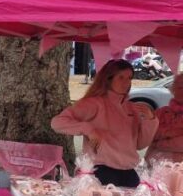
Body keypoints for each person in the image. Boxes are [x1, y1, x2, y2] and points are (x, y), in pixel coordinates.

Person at [52, 59, 157, 187]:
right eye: (121, 77)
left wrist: (150, 121)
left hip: (130, 173)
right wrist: (88, 129)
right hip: (101, 171)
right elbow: (57, 123)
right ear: (108, 79)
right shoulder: (94, 104)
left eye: (129, 78)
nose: (126, 82)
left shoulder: (131, 108)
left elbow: (140, 144)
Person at [147, 76, 183, 163]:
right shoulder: (161, 112)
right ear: (173, 89)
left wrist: (159, 143)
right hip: (154, 165)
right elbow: (149, 136)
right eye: (180, 87)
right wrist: (175, 133)